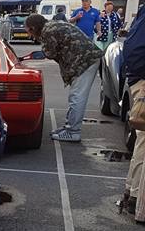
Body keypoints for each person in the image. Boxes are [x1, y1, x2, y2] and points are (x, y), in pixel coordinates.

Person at [25, 13, 104, 142]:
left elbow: (50, 53)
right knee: (75, 96)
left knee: (77, 97)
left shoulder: (47, 31)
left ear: (33, 28)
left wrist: (41, 48)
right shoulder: (53, 25)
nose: (30, 36)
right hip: (87, 59)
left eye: (29, 32)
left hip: (85, 62)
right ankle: (69, 127)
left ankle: (73, 131)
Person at [117, 4, 145, 219]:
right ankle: (137, 202)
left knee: (141, 143)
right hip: (141, 81)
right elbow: (135, 50)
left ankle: (132, 194)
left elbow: (132, 49)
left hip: (138, 80)